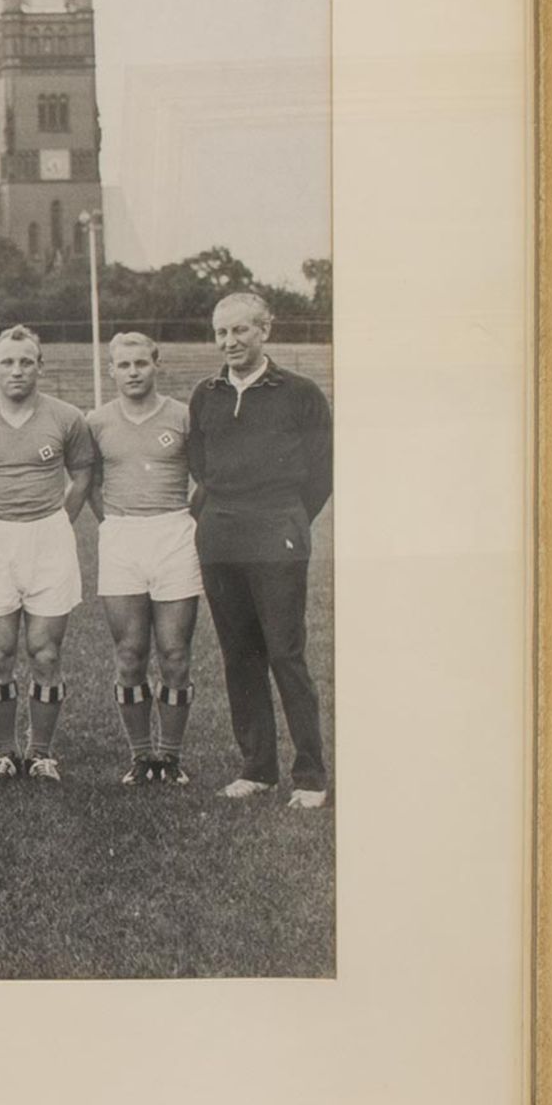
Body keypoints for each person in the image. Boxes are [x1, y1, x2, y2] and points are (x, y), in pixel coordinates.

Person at [188, 292, 334, 808]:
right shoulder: (205, 393)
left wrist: (286, 520)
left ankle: (311, 775)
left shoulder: (300, 393)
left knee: (285, 654)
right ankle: (258, 769)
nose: (229, 341)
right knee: (239, 656)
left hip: (278, 534)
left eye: (240, 331)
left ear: (265, 331)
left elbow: (321, 473)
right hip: (220, 536)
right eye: (220, 332)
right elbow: (201, 466)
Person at [0, 324, 95, 782]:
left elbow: (82, 477)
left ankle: (41, 753)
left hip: (48, 537)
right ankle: (4, 751)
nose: (17, 370)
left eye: (26, 361)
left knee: (45, 652)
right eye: (8, 361)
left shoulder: (67, 418)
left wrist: (55, 521)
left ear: (40, 366)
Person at [85, 333, 202, 785]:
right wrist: (113, 522)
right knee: (130, 653)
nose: (133, 372)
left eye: (141, 363)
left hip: (174, 532)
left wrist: (184, 520)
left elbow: (205, 478)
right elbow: (89, 482)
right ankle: (140, 757)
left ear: (157, 365)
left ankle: (170, 759)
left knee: (175, 653)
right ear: (111, 370)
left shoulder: (183, 417)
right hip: (121, 536)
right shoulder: (96, 422)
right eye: (123, 365)